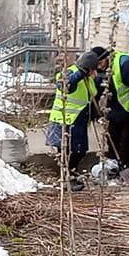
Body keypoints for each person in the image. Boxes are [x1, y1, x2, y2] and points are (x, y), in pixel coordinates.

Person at [46, 49, 101, 190]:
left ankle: (71, 175)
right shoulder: (69, 73)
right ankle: (67, 179)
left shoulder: (88, 78)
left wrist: (95, 113)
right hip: (65, 121)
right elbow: (67, 86)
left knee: (80, 151)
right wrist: (82, 73)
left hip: (78, 121)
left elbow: (90, 96)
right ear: (88, 68)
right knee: (67, 151)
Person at [99, 45, 129, 184]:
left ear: (107, 58)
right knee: (112, 137)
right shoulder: (104, 68)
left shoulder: (124, 63)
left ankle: (125, 165)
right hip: (117, 109)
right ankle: (114, 166)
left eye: (100, 63)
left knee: (126, 140)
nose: (99, 67)